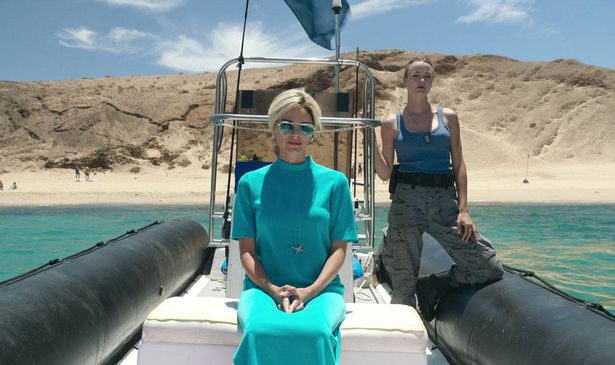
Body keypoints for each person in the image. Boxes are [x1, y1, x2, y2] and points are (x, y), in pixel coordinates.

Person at [232, 89, 358, 365]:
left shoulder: (336, 183)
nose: (295, 134)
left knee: (314, 332)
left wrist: (310, 291)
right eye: (287, 126)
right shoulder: (249, 184)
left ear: (313, 133)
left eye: (304, 127)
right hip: (262, 289)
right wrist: (273, 290)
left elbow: (339, 250)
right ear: (274, 129)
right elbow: (246, 252)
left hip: (322, 291)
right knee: (258, 331)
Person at [374, 56, 503, 321]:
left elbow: (459, 164)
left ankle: (435, 285)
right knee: (403, 286)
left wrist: (464, 210)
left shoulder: (449, 118)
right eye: (416, 76)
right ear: (405, 81)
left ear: (432, 82)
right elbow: (385, 173)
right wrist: (368, 138)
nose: (422, 81)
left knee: (489, 266)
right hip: (405, 204)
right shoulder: (391, 124)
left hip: (445, 203)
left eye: (427, 76)